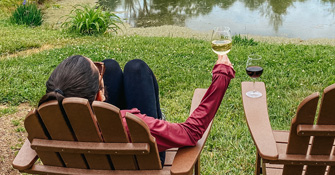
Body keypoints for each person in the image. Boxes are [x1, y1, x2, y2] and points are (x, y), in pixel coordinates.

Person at [38, 54, 235, 163]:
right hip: (139, 168)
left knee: (112, 66)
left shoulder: (47, 122)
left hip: (95, 173)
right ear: (99, 96)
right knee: (137, 68)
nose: (102, 70)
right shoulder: (132, 125)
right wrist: (222, 75)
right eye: (99, 73)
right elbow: (191, 132)